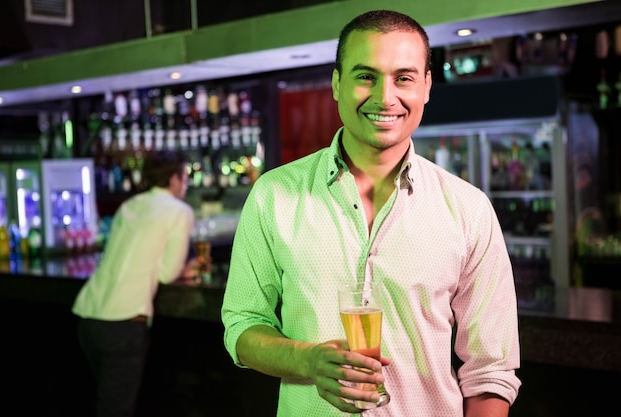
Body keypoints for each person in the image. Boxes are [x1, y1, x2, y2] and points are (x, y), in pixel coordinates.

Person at [222, 9, 521, 417]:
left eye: (404, 78)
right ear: (336, 83)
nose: (385, 97)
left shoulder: (468, 209)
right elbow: (242, 325)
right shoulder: (274, 195)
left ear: (427, 86)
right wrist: (307, 360)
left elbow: (490, 369)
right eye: (366, 76)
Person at [72, 150, 197, 417]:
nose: (185, 184)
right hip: (124, 322)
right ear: (174, 179)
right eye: (185, 177)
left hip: (89, 317)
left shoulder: (130, 205)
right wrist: (185, 271)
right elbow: (166, 273)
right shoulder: (179, 212)